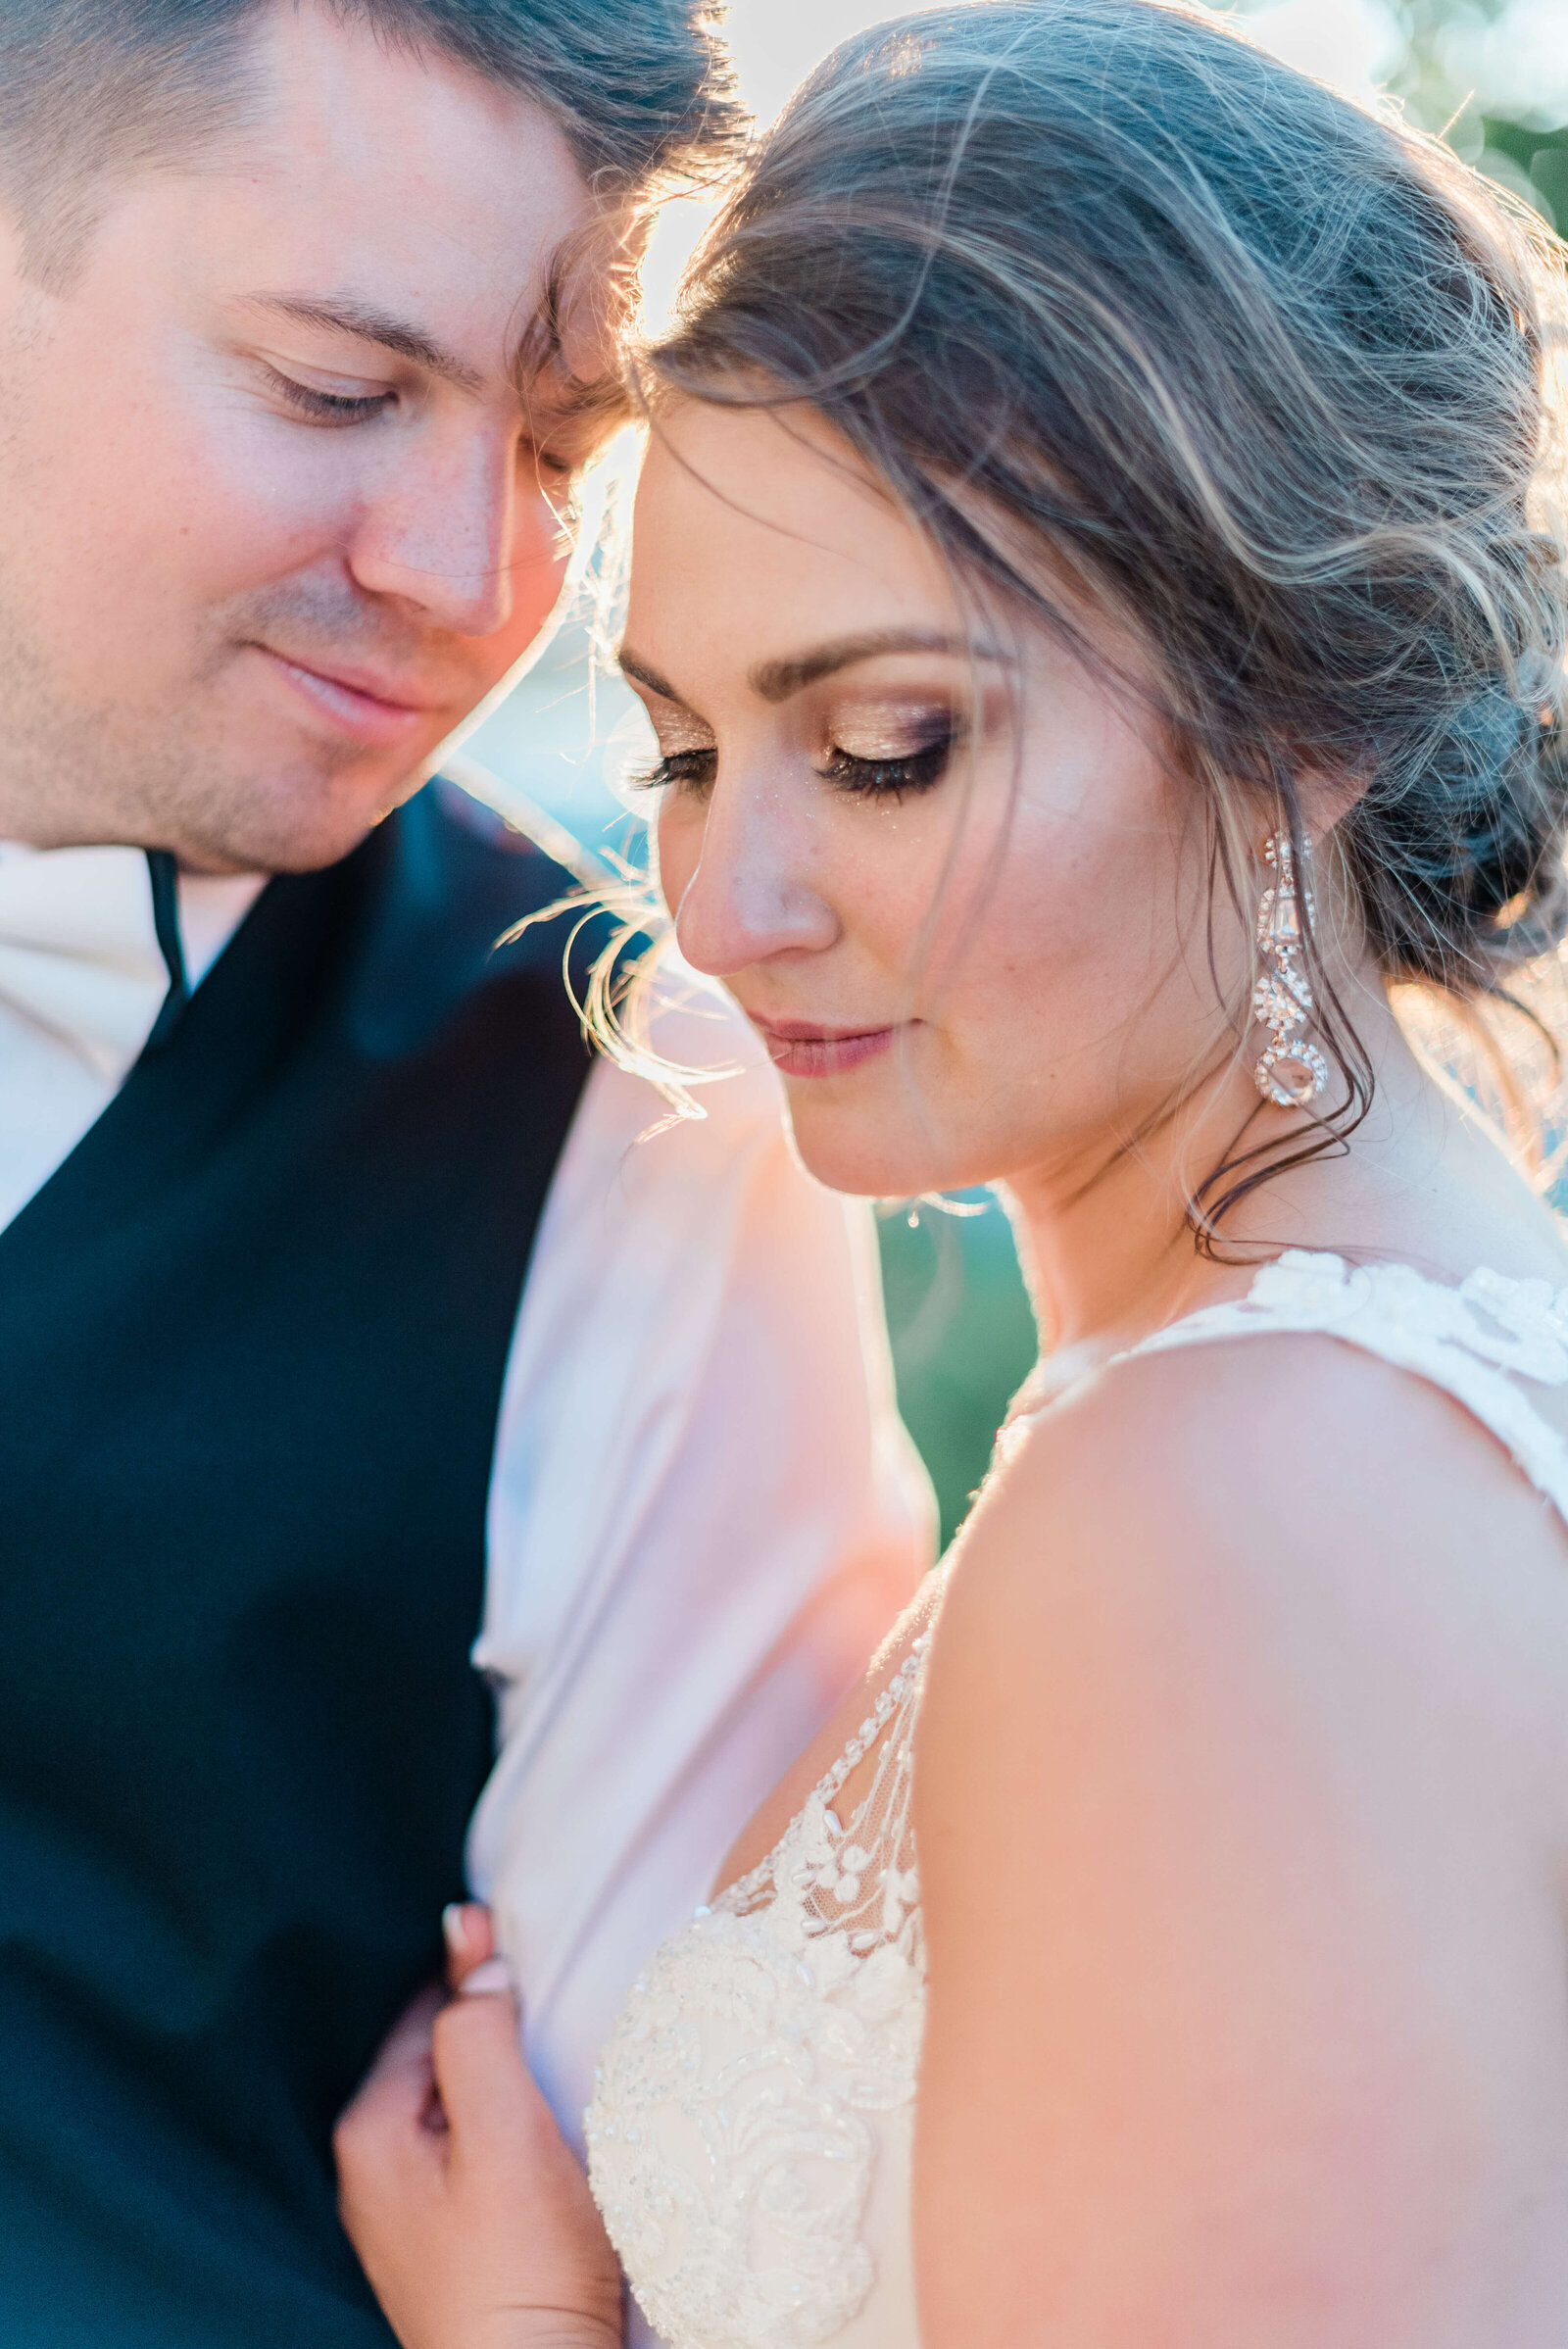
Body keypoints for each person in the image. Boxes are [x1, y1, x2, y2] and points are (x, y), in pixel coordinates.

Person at [332, 2, 1568, 2344]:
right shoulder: (1357, 1415)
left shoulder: (1225, 1519)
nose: (724, 900)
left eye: (885, 746)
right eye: (687, 749)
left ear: (1298, 699)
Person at [0, 5, 934, 2344]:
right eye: (336, 388)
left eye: (557, 440)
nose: (467, 569)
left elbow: (692, 2247)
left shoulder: (643, 1108)